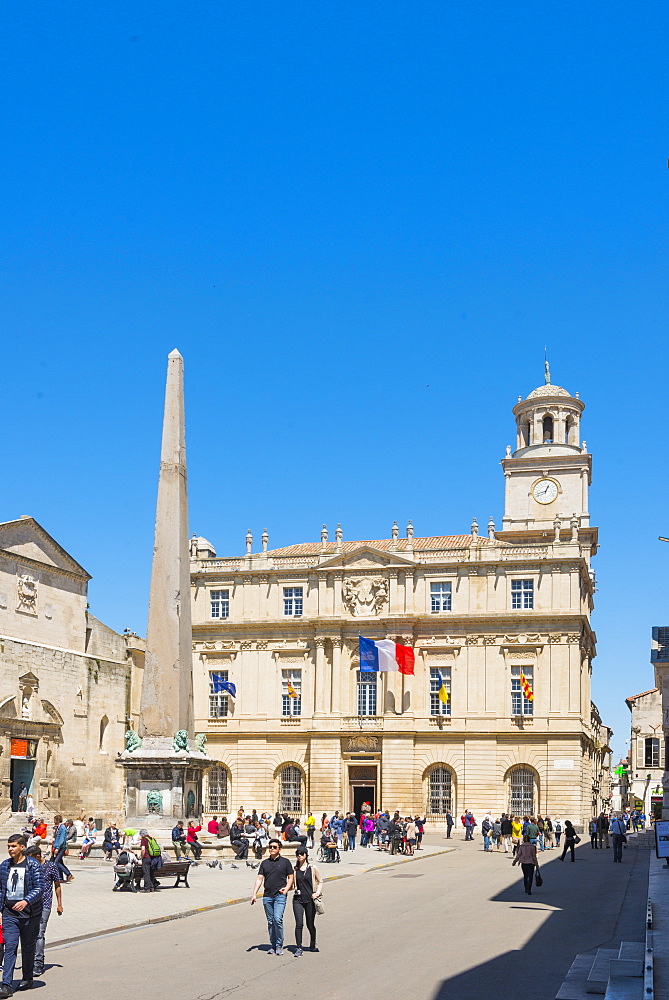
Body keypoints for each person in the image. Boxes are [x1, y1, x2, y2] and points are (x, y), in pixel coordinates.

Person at [0, 834, 45, 996]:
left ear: (22, 847)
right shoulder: (5, 866)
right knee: (10, 947)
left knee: (27, 947)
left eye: (13, 846)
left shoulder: (33, 865)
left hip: (30, 914)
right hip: (9, 914)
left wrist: (26, 901)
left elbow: (40, 887)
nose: (10, 849)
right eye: (8, 846)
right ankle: (6, 984)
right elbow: (1, 890)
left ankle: (27, 977)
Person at [251, 839, 294, 955]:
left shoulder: (285, 862)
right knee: (270, 922)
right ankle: (273, 944)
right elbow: (260, 878)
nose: (272, 849)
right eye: (270, 847)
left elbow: (291, 877)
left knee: (277, 919)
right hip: (267, 897)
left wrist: (287, 888)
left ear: (279, 848)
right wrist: (254, 893)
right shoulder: (264, 863)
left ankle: (279, 944)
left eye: (274, 847)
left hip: (280, 896)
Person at [25, 846, 62, 978]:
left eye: (30, 857)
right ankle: (30, 960)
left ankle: (38, 962)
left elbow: (57, 885)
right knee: (30, 934)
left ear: (38, 856)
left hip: (44, 904)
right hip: (29, 904)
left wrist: (59, 904)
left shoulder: (51, 866)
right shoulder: (29, 867)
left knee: (39, 933)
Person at [292, 847, 322, 955]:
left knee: (310, 924)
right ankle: (298, 947)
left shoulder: (313, 868)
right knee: (299, 924)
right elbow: (292, 884)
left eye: (301, 854)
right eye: (297, 854)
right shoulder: (295, 869)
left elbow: (320, 881)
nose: (299, 856)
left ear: (306, 855)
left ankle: (312, 943)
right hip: (298, 900)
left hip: (310, 900)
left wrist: (317, 892)